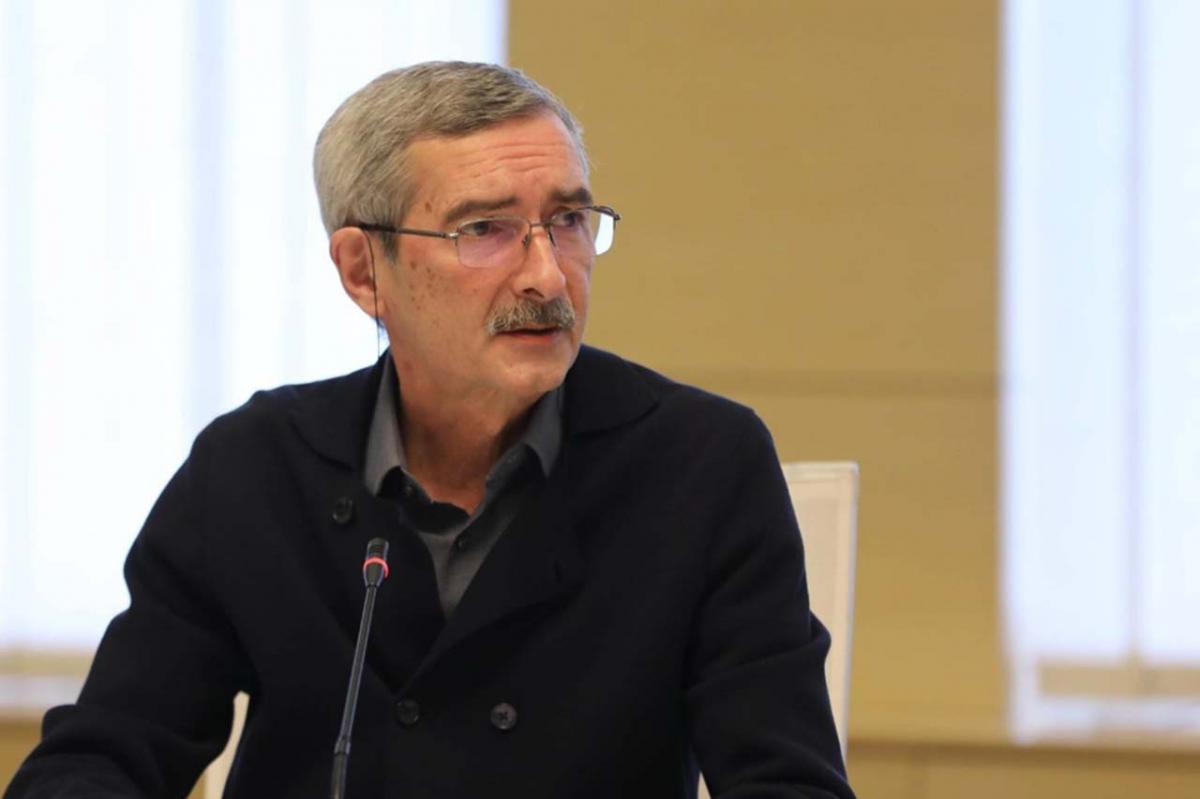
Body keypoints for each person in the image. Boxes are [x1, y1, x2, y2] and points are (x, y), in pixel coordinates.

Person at [6, 62, 854, 799]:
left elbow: (788, 782)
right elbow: (100, 758)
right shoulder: (255, 467)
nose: (548, 275)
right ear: (362, 270)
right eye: (484, 229)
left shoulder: (700, 467)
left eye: (568, 220)